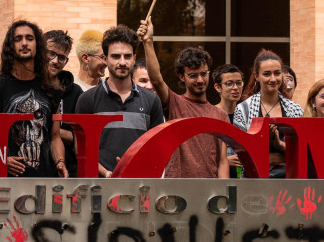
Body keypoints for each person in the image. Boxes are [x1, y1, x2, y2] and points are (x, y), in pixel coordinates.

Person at [138, 17, 229, 178]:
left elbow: (222, 161)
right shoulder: (175, 103)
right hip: (177, 194)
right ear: (182, 77)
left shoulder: (220, 115)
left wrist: (223, 196)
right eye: (193, 75)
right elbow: (157, 79)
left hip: (210, 195)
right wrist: (148, 42)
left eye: (204, 74)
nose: (200, 80)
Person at [0, 20, 67, 178]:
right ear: (9, 46)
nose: (24, 43)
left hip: (44, 180)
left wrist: (60, 162)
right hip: (3, 183)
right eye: (18, 39)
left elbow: (54, 136)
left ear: (38, 45)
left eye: (29, 38)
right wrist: (1, 160)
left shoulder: (52, 90)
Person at [74, 26, 165, 177]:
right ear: (105, 58)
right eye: (116, 56)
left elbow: (156, 149)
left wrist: (135, 169)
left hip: (139, 188)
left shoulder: (152, 100)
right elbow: (81, 149)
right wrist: (106, 173)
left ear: (134, 58)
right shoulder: (87, 99)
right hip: (99, 188)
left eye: (127, 56)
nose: (122, 62)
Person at [231, 50, 303, 178]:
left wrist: (278, 145)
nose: (273, 79)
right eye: (266, 74)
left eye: (277, 73)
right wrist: (280, 155)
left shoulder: (295, 109)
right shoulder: (243, 109)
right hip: (254, 180)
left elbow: (302, 153)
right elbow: (242, 155)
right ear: (256, 76)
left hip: (290, 181)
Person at [44, 30, 83, 177]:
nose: (55, 61)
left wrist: (48, 130)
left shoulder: (76, 93)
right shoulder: (28, 87)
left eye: (61, 57)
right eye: (51, 53)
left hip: (67, 173)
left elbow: (81, 138)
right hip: (31, 172)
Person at [211, 64, 244, 174]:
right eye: (229, 84)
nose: (235, 88)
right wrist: (225, 161)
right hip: (218, 179)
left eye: (239, 83)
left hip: (244, 178)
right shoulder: (211, 115)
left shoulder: (246, 113)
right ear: (217, 87)